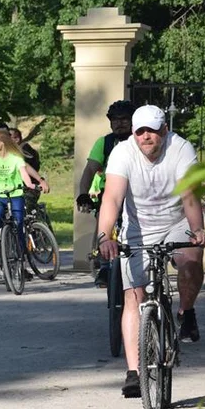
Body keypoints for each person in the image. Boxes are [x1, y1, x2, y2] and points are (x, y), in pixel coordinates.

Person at [96, 104, 205, 398]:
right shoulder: (122, 152)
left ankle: (186, 310)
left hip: (177, 221)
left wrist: (197, 230)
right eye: (140, 131)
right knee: (133, 296)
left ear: (164, 130)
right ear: (134, 133)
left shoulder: (181, 149)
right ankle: (134, 372)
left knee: (190, 260)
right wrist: (103, 236)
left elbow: (189, 196)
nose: (146, 137)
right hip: (138, 228)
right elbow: (112, 197)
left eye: (152, 131)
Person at [78, 100, 136, 286]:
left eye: (124, 119)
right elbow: (90, 169)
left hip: (137, 192)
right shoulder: (105, 142)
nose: (119, 123)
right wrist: (83, 194)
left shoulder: (139, 140)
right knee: (105, 223)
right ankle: (103, 265)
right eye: (115, 120)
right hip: (111, 190)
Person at [0, 127, 38, 254]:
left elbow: (23, 173)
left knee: (19, 221)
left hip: (15, 194)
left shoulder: (15, 157)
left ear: (3, 141)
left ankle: (21, 252)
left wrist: (30, 184)